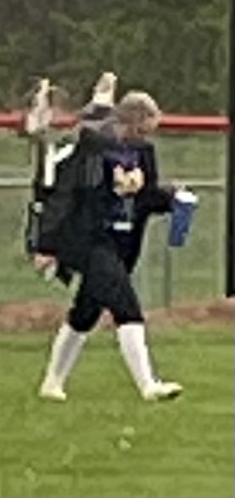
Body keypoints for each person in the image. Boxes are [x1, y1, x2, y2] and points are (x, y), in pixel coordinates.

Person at [31, 87, 186, 402]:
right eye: (142, 130)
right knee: (125, 306)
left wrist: (172, 198)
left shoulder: (144, 152)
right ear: (128, 121)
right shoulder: (92, 147)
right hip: (89, 238)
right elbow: (65, 197)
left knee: (85, 313)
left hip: (122, 242)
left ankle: (52, 383)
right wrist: (46, 245)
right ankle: (148, 385)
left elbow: (145, 197)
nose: (145, 138)